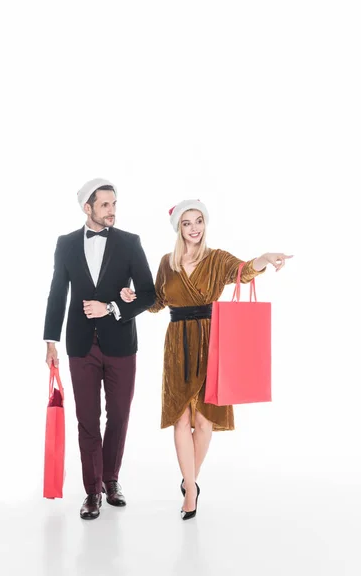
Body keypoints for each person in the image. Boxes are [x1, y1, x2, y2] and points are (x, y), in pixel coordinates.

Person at [120, 199, 292, 520]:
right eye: (187, 223)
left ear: (204, 224)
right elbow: (157, 301)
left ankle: (189, 483)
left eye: (199, 221)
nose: (194, 228)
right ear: (179, 228)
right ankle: (191, 491)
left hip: (213, 339)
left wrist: (264, 259)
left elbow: (242, 271)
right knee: (181, 418)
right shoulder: (166, 263)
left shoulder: (216, 259)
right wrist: (134, 298)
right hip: (178, 343)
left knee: (204, 420)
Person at [43, 178, 155, 520]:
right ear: (87, 207)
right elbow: (57, 292)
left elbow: (149, 294)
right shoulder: (65, 244)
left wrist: (112, 308)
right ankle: (92, 492)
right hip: (80, 345)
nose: (112, 211)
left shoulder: (130, 243)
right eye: (105, 204)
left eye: (114, 204)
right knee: (87, 420)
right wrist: (51, 340)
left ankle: (111, 479)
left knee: (118, 416)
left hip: (121, 344)